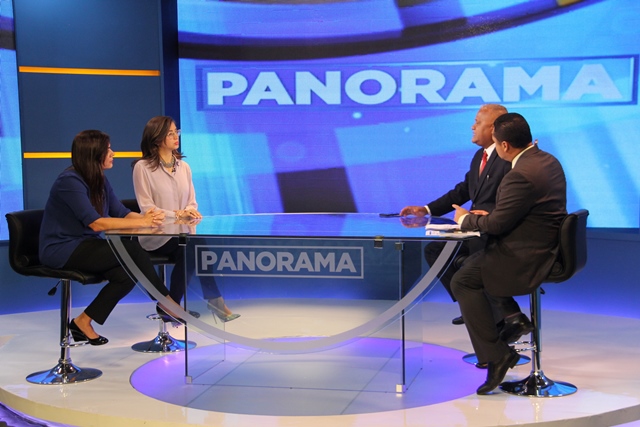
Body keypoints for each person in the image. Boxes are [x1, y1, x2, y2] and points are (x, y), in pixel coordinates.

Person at [451, 112, 567, 394]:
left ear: (504, 145)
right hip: (543, 245)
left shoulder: (519, 175)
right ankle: (510, 320)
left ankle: (498, 354)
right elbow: (513, 214)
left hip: (526, 255)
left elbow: (497, 225)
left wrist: (466, 219)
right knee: (471, 262)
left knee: (463, 280)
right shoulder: (547, 160)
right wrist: (490, 216)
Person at [39, 130, 185, 346]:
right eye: (108, 149)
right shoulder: (69, 181)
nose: (113, 153)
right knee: (132, 251)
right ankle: (167, 302)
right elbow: (96, 223)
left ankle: (83, 321)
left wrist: (152, 221)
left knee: (126, 274)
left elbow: (121, 212)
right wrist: (143, 223)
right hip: (61, 249)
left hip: (85, 245)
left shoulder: (99, 178)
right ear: (93, 153)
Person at [400, 104, 511, 325]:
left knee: (467, 261)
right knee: (435, 250)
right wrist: (427, 209)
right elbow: (463, 190)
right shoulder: (480, 155)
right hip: (476, 230)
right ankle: (471, 304)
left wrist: (487, 215)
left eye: (477, 122)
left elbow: (511, 201)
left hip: (494, 234)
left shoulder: (507, 158)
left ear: (493, 128)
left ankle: (495, 312)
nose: (472, 126)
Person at [132, 116, 240, 322]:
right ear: (157, 138)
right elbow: (147, 208)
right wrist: (177, 214)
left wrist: (191, 211)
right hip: (156, 236)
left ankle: (172, 305)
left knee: (193, 248)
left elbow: (191, 202)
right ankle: (210, 301)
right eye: (170, 133)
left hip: (182, 235)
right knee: (194, 247)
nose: (176, 137)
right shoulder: (143, 167)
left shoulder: (184, 167)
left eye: (176, 132)